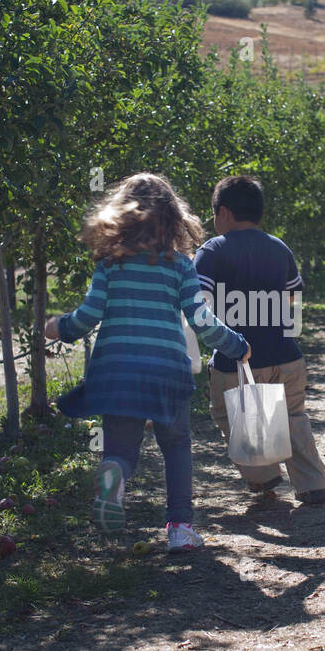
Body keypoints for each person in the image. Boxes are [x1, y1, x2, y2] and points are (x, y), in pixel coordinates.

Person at [46, 173, 250, 553]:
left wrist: (60, 327)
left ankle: (114, 475)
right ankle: (179, 529)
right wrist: (236, 345)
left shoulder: (110, 264)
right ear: (173, 218)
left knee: (121, 448)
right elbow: (201, 320)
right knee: (176, 445)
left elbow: (89, 315)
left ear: (120, 216)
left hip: (117, 372)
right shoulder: (180, 266)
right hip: (166, 371)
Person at [195, 175, 325, 505]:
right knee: (293, 417)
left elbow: (198, 307)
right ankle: (312, 484)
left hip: (237, 360)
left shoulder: (212, 252)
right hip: (286, 355)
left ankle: (264, 476)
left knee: (229, 414)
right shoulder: (279, 248)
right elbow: (294, 304)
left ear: (223, 212)